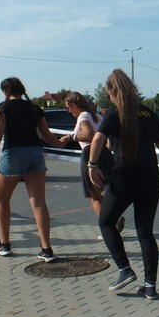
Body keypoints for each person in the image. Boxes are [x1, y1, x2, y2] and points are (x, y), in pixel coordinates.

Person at [87, 69, 159, 297]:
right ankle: (150, 286)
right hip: (150, 180)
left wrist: (92, 165)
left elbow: (97, 138)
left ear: (113, 92)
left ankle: (124, 269)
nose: (108, 97)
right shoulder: (147, 112)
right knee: (145, 232)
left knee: (106, 222)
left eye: (108, 94)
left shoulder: (114, 113)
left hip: (124, 179)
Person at [0, 77, 62, 262]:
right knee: (39, 202)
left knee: (2, 199)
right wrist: (61, 143)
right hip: (35, 153)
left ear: (5, 91)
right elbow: (48, 136)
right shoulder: (35, 108)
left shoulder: (2, 108)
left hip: (13, 154)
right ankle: (46, 249)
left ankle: (4, 244)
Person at [58, 92, 124, 236]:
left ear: (73, 105)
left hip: (90, 152)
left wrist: (71, 137)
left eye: (68, 107)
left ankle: (110, 227)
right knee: (105, 189)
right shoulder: (98, 116)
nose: (68, 111)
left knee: (93, 195)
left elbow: (89, 135)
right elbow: (106, 138)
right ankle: (113, 218)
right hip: (104, 152)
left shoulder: (83, 116)